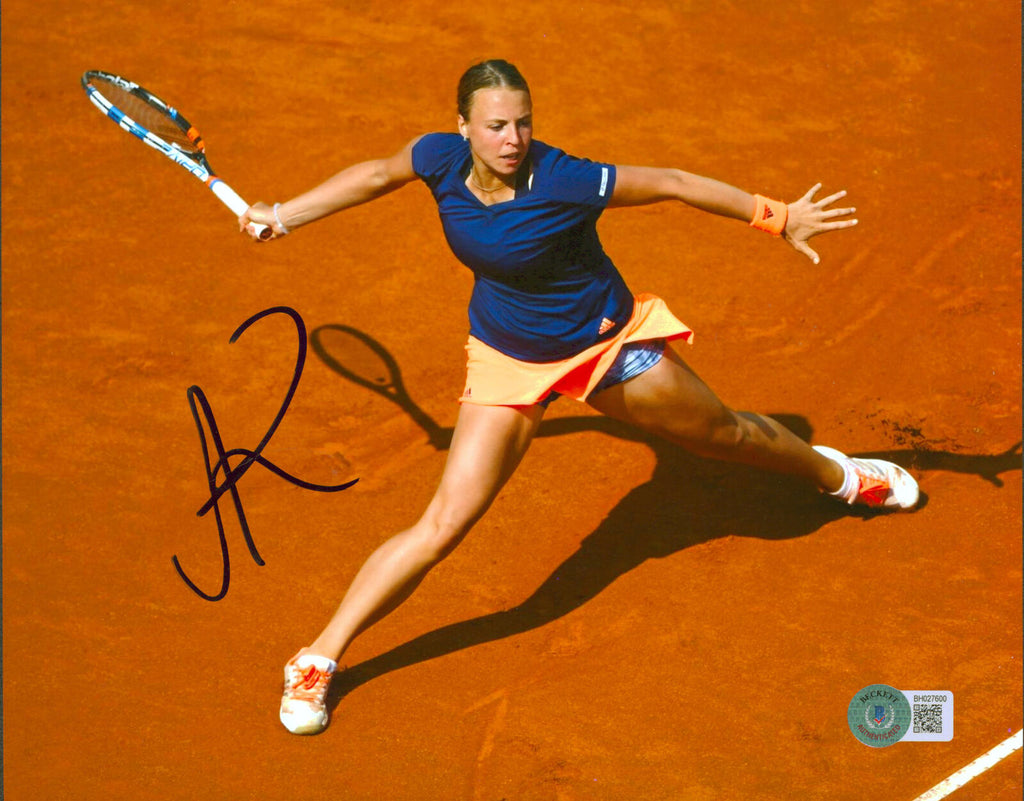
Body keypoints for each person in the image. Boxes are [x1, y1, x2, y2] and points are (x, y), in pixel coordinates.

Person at [240, 59, 919, 735]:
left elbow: (673, 182)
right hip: (508, 355)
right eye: (496, 126)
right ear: (463, 127)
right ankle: (318, 658)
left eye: (523, 123)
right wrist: (284, 215)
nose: (513, 139)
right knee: (443, 523)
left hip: (605, 347)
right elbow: (374, 175)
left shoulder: (564, 178)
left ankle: (839, 474)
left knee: (725, 436)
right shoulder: (436, 159)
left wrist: (776, 216)